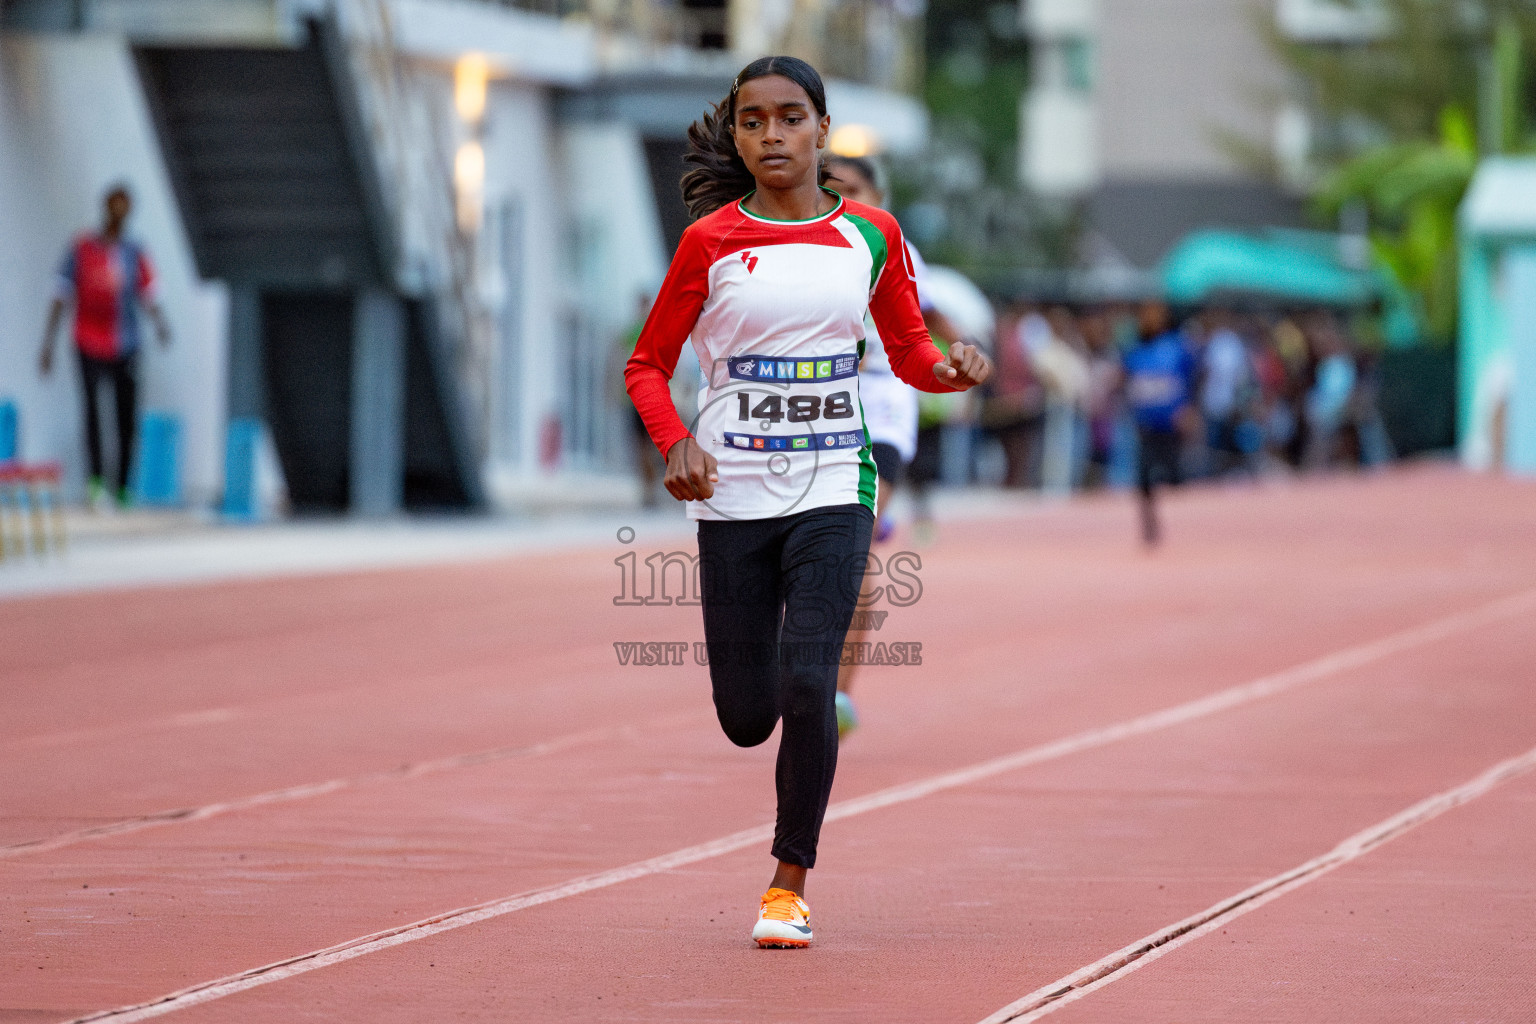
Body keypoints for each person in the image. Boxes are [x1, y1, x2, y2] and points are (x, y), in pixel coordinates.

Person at [623, 56, 989, 949]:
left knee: (809, 676)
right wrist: (677, 443)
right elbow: (645, 365)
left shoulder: (871, 236)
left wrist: (952, 370)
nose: (772, 136)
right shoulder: (710, 241)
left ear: (824, 131)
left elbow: (907, 357)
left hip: (835, 482)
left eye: (791, 119)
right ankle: (780, 751)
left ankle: (787, 883)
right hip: (734, 493)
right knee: (748, 717)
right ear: (739, 136)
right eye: (754, 122)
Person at [820, 153, 969, 738]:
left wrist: (961, 360)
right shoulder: (805, 251)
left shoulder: (897, 250)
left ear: (879, 197)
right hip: (816, 404)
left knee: (853, 545)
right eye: (832, 189)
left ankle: (838, 695)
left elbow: (937, 321)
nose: (843, 199)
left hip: (882, 404)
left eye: (854, 189)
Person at [38, 184, 171, 507]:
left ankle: (124, 485)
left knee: (126, 416)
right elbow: (61, 294)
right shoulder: (82, 247)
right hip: (88, 340)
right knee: (94, 413)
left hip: (125, 343)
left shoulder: (134, 252)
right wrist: (48, 343)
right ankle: (96, 483)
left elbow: (149, 293)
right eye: (115, 205)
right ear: (105, 208)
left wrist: (161, 324)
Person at [1122, 300, 1195, 547]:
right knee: (1143, 475)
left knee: (1174, 475)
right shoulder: (1135, 351)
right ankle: (1149, 524)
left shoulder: (1178, 348)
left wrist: (1189, 409)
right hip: (1146, 423)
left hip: (1171, 423)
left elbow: (1193, 379)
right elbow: (1128, 382)